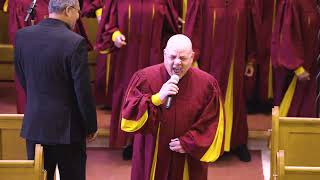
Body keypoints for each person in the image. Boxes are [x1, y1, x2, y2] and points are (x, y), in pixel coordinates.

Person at [121, 34, 225, 180]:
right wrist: (157, 98)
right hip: (153, 153)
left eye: (182, 58)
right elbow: (128, 117)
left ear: (192, 57)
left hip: (187, 157)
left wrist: (190, 142)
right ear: (164, 54)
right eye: (172, 57)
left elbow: (212, 122)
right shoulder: (144, 78)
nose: (177, 63)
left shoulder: (207, 84)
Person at [14, 0, 98, 179]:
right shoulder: (75, 42)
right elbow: (82, 91)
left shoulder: (22, 36)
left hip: (35, 126)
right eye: (77, 12)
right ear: (68, 10)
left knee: (39, 177)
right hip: (68, 130)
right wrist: (90, 125)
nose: (78, 17)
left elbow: (22, 78)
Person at [96, 0, 180, 160]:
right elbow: (109, 25)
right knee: (127, 95)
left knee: (154, 95)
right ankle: (129, 141)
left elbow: (171, 30)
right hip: (127, 59)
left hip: (153, 59)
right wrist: (115, 35)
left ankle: (151, 138)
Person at [196, 0, 257, 162]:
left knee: (236, 100)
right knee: (210, 101)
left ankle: (237, 142)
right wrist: (194, 58)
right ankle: (210, 143)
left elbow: (249, 30)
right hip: (210, 63)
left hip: (234, 64)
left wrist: (250, 59)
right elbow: (194, 27)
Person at [8, 0, 92, 114]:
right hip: (34, 68)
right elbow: (20, 45)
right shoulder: (22, 3)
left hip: (61, 69)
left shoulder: (66, 4)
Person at [271, 0, 320, 117]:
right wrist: (297, 67)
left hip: (315, 68)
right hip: (300, 74)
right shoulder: (293, 3)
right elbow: (286, 36)